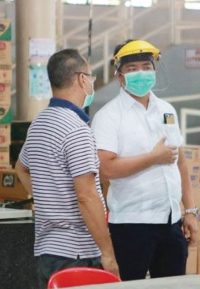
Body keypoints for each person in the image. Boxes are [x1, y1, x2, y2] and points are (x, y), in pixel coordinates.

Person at [90, 39, 197, 280]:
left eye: (146, 67)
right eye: (132, 69)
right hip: (131, 225)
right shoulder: (108, 116)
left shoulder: (166, 110)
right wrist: (153, 158)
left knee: (172, 286)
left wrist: (189, 210)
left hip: (171, 222)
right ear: (119, 76)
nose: (141, 73)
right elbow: (106, 168)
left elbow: (179, 162)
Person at [14, 49, 118, 288]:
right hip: (77, 254)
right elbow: (87, 196)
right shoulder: (76, 130)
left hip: (47, 252)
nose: (91, 82)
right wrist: (108, 254)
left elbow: (21, 168)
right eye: (91, 77)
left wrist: (48, 197)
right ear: (82, 79)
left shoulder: (39, 123)